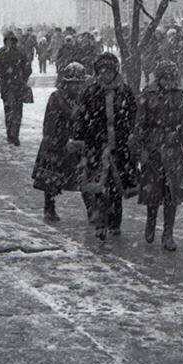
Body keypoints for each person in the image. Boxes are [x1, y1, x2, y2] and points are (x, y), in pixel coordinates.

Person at [73, 52, 137, 241]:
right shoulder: (90, 92)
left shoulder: (125, 92)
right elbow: (81, 118)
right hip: (96, 146)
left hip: (120, 146)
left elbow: (133, 116)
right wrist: (79, 139)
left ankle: (115, 223)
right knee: (98, 187)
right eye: (102, 71)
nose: (105, 74)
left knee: (116, 187)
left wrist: (131, 137)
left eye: (109, 71)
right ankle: (100, 223)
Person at [134, 60, 183, 251]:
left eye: (171, 78)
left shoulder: (178, 96)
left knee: (171, 194)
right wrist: (141, 148)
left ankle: (168, 233)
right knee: (153, 192)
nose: (169, 82)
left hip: (173, 150)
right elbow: (140, 124)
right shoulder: (147, 95)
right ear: (159, 78)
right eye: (165, 78)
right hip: (153, 151)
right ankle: (151, 222)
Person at [32, 62, 87, 222]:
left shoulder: (85, 99)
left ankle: (92, 210)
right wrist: (59, 140)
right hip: (56, 142)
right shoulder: (56, 98)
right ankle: (49, 208)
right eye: (73, 83)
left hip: (78, 143)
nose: (76, 87)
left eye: (79, 83)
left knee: (85, 178)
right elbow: (50, 122)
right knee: (51, 179)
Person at [0, 32, 32, 146]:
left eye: (12, 40)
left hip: (17, 87)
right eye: (8, 40)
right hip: (7, 87)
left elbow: (28, 69)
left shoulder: (20, 52)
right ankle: (10, 134)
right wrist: (5, 73)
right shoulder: (1, 53)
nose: (10, 43)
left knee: (17, 112)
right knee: (9, 112)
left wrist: (21, 76)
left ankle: (14, 135)